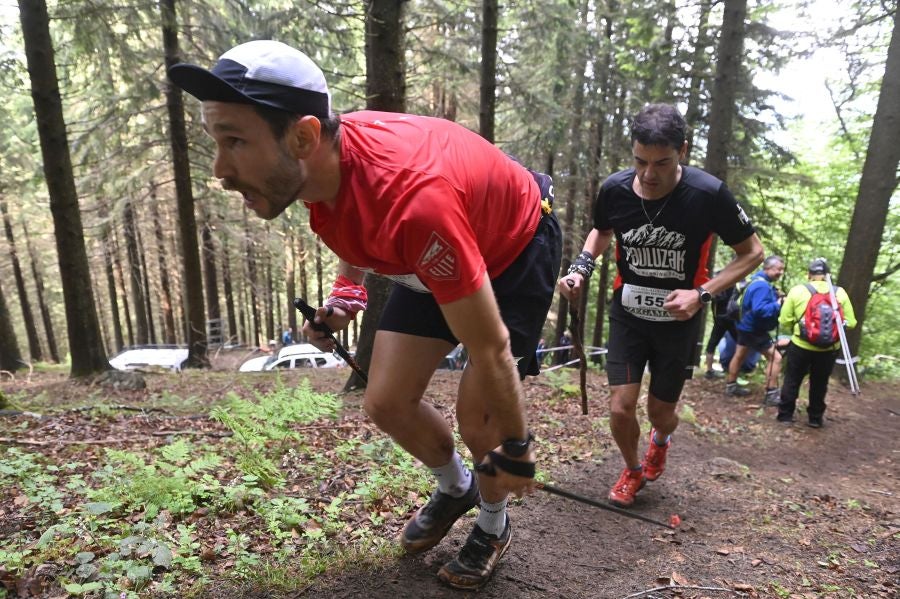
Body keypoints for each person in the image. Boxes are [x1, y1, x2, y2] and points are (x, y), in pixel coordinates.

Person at [167, 40, 562, 590]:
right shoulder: (320, 165)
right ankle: (456, 488)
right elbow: (356, 215)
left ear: (303, 136)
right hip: (433, 251)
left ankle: (493, 524)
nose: (219, 169)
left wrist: (517, 447)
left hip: (511, 250)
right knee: (385, 400)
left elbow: (490, 343)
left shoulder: (414, 201)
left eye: (234, 141)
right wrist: (346, 296)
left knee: (482, 422)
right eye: (217, 141)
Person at [557, 103, 763, 508]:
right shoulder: (615, 189)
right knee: (620, 407)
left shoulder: (708, 194)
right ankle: (632, 469)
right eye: (640, 161)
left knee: (660, 412)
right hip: (629, 313)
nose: (649, 174)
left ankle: (661, 440)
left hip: (679, 320)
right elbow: (601, 231)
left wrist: (701, 293)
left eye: (661, 163)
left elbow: (752, 253)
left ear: (682, 151)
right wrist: (581, 268)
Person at [776, 258, 857, 427]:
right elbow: (851, 322)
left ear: (809, 275)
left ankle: (785, 415)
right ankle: (815, 418)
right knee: (820, 382)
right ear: (827, 275)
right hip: (829, 349)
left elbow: (784, 320)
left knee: (792, 379)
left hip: (800, 345)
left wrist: (798, 328)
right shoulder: (839, 293)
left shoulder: (798, 291)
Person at [724, 256, 785, 405]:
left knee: (739, 354)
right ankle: (771, 394)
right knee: (776, 358)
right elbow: (760, 310)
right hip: (754, 329)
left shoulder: (755, 280)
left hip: (744, 325)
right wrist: (778, 304)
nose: (780, 273)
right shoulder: (762, 286)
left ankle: (731, 386)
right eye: (778, 269)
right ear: (768, 268)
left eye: (782, 270)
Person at [702, 274, 739, 379]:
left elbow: (713, 303)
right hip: (730, 319)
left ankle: (710, 371)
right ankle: (736, 370)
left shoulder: (717, 288)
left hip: (720, 319)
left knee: (712, 344)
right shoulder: (734, 286)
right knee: (741, 343)